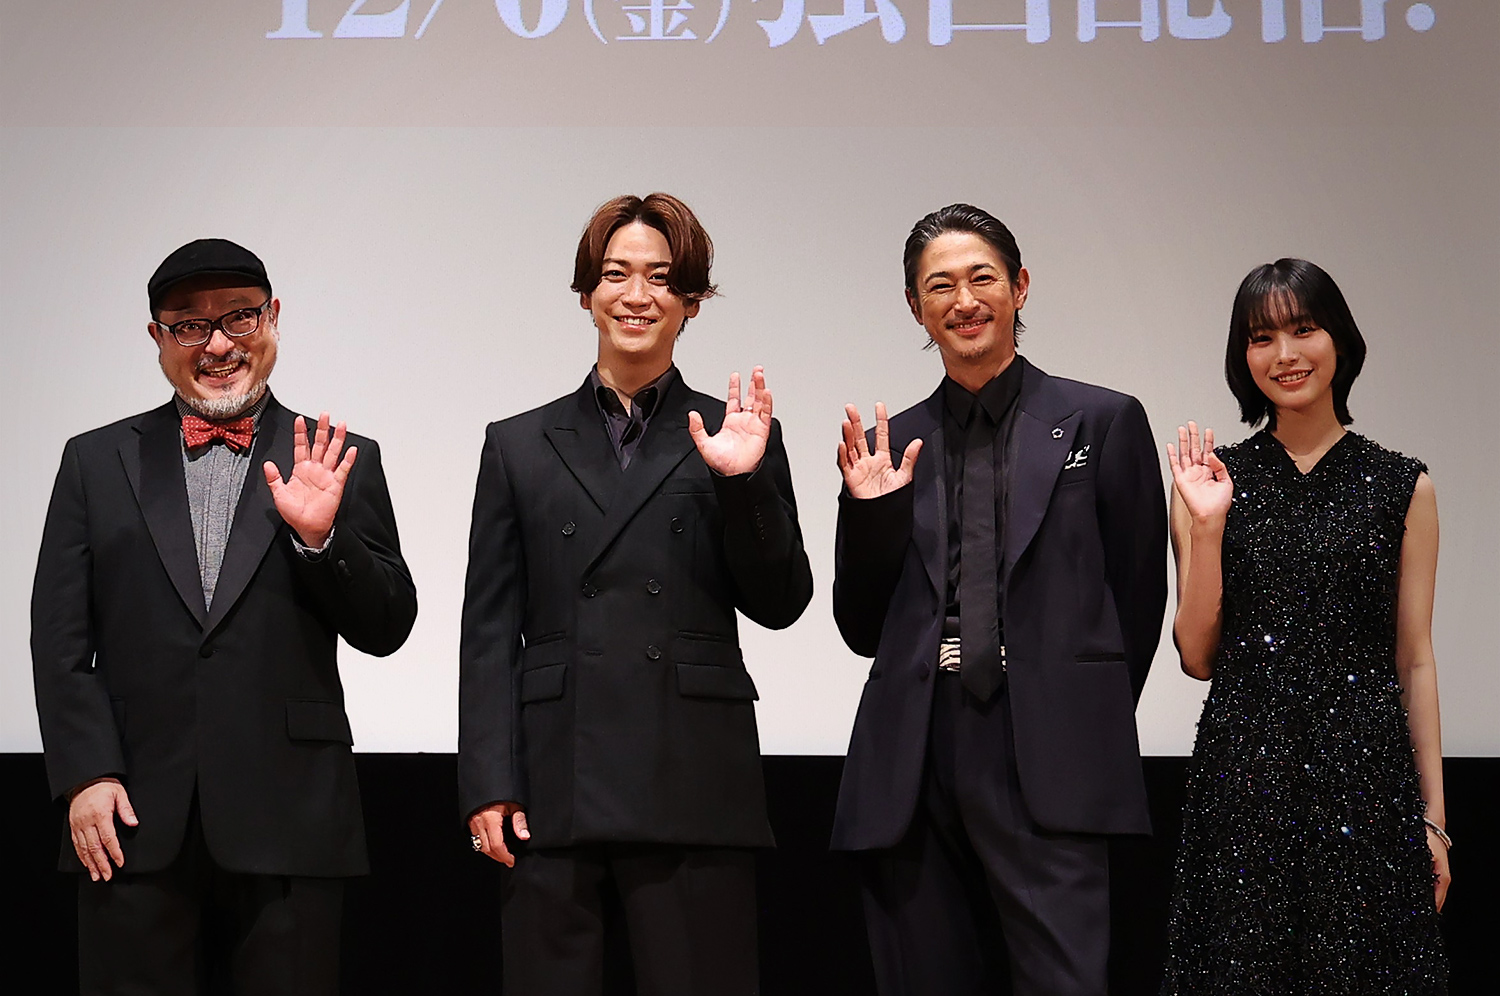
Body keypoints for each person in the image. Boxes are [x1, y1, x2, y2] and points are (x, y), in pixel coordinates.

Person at [31, 238, 418, 995]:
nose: (217, 344)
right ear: (156, 339)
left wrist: (321, 539)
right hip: (131, 815)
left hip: (292, 816)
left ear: (274, 319)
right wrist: (84, 772)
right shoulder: (93, 461)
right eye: (188, 326)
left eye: (240, 318)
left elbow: (387, 627)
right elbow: (59, 638)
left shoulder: (341, 456)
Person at [458, 192, 813, 996]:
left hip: (693, 777)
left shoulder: (735, 432)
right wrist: (487, 780)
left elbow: (782, 600)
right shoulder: (517, 444)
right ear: (587, 294)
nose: (637, 294)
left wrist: (744, 483)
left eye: (661, 278)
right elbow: (488, 628)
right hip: (552, 782)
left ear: (691, 302)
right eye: (616, 274)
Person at [829, 203, 1167, 996]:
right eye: (938, 286)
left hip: (1048, 742)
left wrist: (1082, 712)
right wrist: (874, 511)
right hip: (915, 750)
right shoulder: (892, 441)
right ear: (917, 309)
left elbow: (1139, 595)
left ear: (1018, 287)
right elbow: (859, 626)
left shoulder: (1102, 421)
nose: (963, 299)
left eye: (982, 277)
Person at [1160, 258, 1449, 993]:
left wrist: (1435, 820)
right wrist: (1208, 526)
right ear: (1243, 357)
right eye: (1261, 338)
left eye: (1302, 328)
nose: (1284, 354)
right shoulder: (1209, 481)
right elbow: (1197, 655)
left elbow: (1414, 659)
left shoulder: (1402, 483)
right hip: (1244, 777)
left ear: (1339, 342)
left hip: (1368, 780)